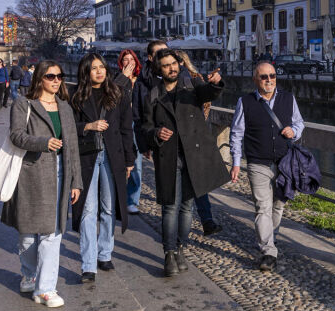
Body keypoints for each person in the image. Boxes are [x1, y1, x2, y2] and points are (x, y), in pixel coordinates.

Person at [139, 49, 227, 276]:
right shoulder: (153, 95)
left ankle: (180, 248)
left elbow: (208, 93)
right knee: (170, 206)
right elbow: (145, 128)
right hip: (168, 157)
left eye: (174, 64)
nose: (172, 68)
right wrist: (156, 133)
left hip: (193, 156)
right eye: (166, 65)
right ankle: (169, 253)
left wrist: (216, 83)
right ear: (160, 70)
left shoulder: (191, 86)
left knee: (187, 207)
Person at [1, 61, 82, 308]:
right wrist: (42, 142)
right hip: (30, 174)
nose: (56, 80)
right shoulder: (23, 104)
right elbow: (16, 135)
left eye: (60, 76)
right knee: (27, 232)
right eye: (50, 76)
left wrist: (76, 181)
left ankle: (45, 289)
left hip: (59, 172)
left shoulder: (65, 108)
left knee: (53, 231)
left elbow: (73, 146)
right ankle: (29, 274)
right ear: (39, 79)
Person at [229, 61, 305, 273]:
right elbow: (236, 133)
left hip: (284, 162)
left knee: (278, 205)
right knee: (262, 206)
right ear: (255, 79)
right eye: (264, 77)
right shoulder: (245, 101)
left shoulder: (288, 99)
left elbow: (300, 123)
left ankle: (269, 239)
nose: (269, 80)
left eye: (272, 76)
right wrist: (236, 162)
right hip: (257, 162)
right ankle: (268, 252)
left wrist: (294, 131)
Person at [70, 54, 136, 283]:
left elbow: (127, 129)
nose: (99, 71)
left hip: (112, 155)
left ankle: (104, 253)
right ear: (86, 72)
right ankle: (88, 264)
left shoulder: (118, 94)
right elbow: (68, 128)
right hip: (87, 156)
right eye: (94, 68)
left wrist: (130, 160)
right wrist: (89, 125)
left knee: (109, 208)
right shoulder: (76, 96)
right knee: (88, 210)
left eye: (102, 67)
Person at [114, 48, 146, 215]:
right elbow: (111, 97)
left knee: (136, 165)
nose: (129, 63)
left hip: (136, 125)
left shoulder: (141, 81)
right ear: (121, 63)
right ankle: (116, 197)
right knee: (118, 162)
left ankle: (132, 200)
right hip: (119, 125)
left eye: (131, 60)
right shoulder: (116, 79)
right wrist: (123, 79)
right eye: (125, 60)